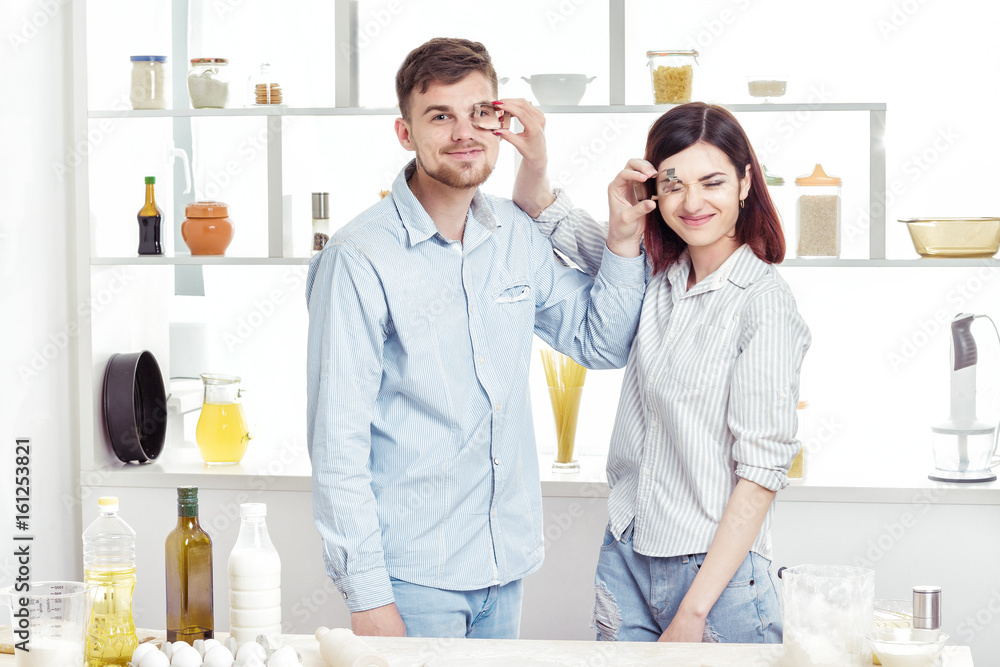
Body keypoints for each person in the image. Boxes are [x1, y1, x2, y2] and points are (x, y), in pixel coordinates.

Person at [305, 37, 648, 640]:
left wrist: (620, 238)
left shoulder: (517, 235)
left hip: (504, 566)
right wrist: (368, 596)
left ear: (503, 122)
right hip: (412, 580)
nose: (465, 132)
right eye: (441, 115)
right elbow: (338, 445)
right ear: (405, 133)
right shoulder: (359, 257)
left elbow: (603, 342)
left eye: (480, 113)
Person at [513, 102, 811, 643]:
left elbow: (762, 474)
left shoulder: (762, 304)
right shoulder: (656, 272)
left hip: (714, 581)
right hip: (626, 556)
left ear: (745, 183)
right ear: (654, 190)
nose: (692, 202)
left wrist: (693, 613)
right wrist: (535, 154)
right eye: (673, 184)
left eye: (713, 182)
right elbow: (542, 210)